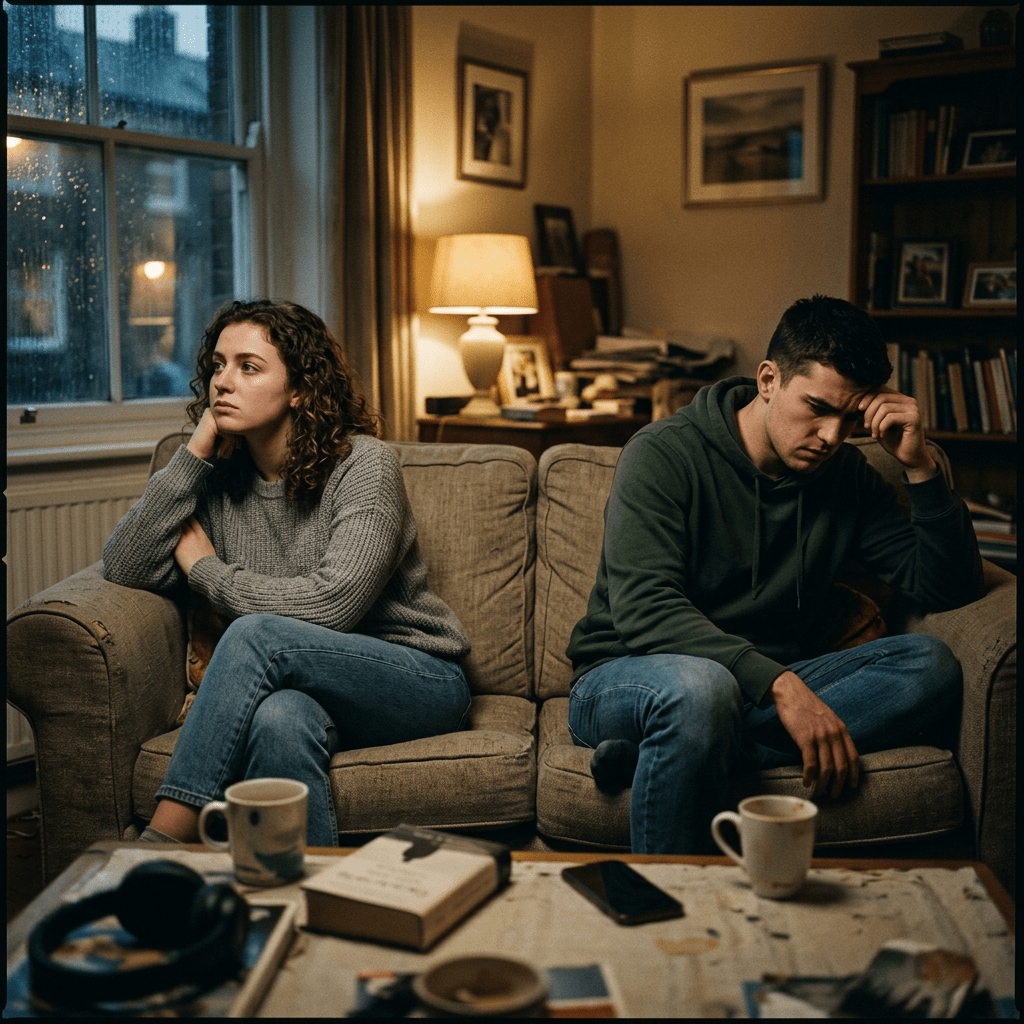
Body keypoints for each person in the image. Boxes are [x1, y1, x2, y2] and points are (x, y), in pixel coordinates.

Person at [565, 295, 984, 854]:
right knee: (701, 689)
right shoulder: (663, 454)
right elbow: (645, 609)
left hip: (749, 694)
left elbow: (947, 587)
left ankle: (682, 749)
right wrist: (785, 688)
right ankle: (668, 901)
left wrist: (919, 465)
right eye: (817, 408)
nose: (833, 436)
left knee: (929, 665)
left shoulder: (847, 477)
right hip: (626, 676)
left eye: (850, 417)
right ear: (768, 379)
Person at [102, 299, 472, 846]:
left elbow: (334, 603)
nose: (223, 383)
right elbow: (125, 563)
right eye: (218, 366)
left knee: (254, 635)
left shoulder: (363, 464)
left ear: (299, 389)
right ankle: (304, 900)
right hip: (308, 687)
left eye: (248, 367)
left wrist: (208, 572)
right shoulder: (216, 479)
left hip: (417, 678)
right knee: (279, 719)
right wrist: (195, 451)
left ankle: (161, 841)